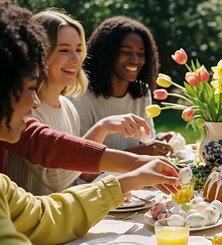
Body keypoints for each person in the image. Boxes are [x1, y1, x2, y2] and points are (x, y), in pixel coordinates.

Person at [0, 2, 180, 244]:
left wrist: (126, 178)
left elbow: (44, 212)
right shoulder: (31, 117)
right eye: (63, 50)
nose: (76, 58)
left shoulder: (66, 108)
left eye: (78, 49)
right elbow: (48, 156)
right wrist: (131, 163)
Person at [71, 16, 174, 156]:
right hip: (98, 178)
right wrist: (136, 153)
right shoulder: (81, 96)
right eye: (126, 52)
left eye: (141, 53)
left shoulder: (142, 93)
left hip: (134, 175)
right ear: (106, 53)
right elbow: (81, 165)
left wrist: (158, 142)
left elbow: (144, 143)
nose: (135, 60)